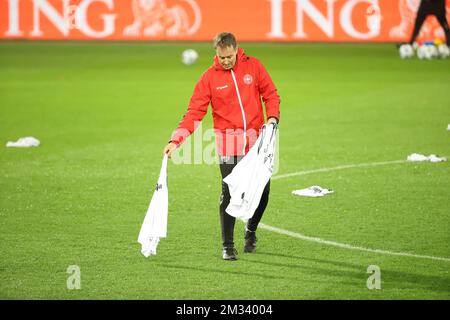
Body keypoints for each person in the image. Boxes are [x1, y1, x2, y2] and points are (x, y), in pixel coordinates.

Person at [163, 32, 280, 261]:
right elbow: (195, 112)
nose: (226, 61)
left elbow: (271, 94)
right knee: (229, 193)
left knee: (263, 192)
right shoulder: (208, 78)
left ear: (236, 50)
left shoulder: (254, 66)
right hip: (229, 144)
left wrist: (273, 118)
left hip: (257, 143)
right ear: (216, 53)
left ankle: (251, 231)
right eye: (221, 57)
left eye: (229, 56)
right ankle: (227, 245)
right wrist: (175, 140)